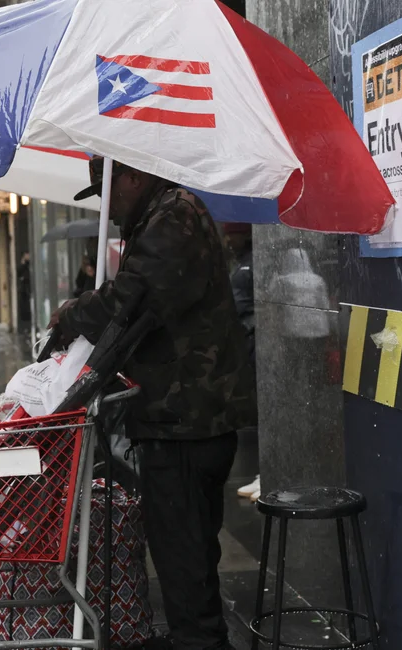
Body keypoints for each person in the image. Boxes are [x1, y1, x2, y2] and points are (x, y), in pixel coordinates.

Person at [50, 156, 255, 650]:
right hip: (179, 418)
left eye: (109, 189)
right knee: (187, 559)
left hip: (186, 422)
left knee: (184, 562)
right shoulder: (160, 215)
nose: (108, 203)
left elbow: (131, 300)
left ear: (134, 176)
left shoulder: (174, 215)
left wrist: (74, 311)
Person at [224, 223, 261, 502]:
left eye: (232, 234)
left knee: (264, 408)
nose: (228, 240)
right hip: (244, 342)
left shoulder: (253, 263)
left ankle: (269, 472)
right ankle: (265, 471)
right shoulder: (240, 264)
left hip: (254, 340)